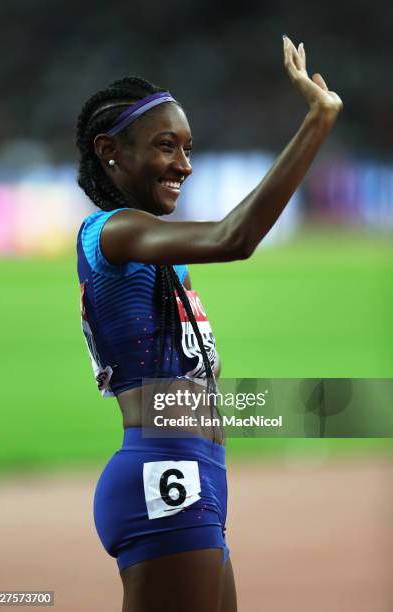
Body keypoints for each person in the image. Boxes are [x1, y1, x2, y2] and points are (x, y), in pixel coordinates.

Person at [75, 36, 342, 612]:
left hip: (198, 474)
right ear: (109, 152)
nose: (184, 165)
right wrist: (319, 121)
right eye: (166, 147)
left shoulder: (159, 256)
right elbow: (233, 237)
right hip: (164, 475)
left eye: (189, 148)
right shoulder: (112, 232)